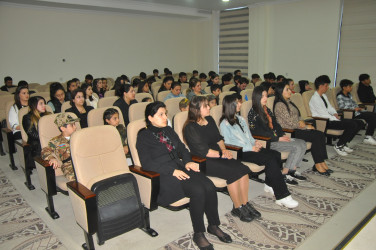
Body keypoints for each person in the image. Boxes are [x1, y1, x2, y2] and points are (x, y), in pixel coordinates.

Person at [137, 101, 232, 250]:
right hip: (162, 175)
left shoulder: (168, 129)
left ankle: (213, 225)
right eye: (160, 114)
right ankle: (199, 233)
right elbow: (147, 164)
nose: (165, 117)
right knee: (198, 190)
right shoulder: (144, 136)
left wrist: (188, 162)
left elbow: (183, 148)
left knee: (209, 186)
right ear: (150, 118)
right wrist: (172, 171)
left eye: (165, 113)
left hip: (179, 167)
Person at [183, 96, 260, 222]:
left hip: (218, 155)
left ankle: (245, 204)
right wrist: (221, 154)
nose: (209, 107)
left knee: (243, 169)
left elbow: (219, 139)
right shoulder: (190, 128)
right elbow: (204, 151)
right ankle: (237, 207)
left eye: (208, 105)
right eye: (206, 106)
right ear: (196, 110)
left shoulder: (209, 119)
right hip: (204, 161)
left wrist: (224, 150)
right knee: (234, 173)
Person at [220, 95, 298, 208]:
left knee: (276, 154)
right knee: (269, 159)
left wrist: (255, 142)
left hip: (251, 148)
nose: (240, 105)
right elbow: (228, 143)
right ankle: (282, 196)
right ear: (230, 106)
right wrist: (250, 148)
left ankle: (269, 183)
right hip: (241, 152)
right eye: (237, 103)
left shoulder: (240, 119)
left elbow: (249, 136)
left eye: (240, 102)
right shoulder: (224, 124)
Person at [248, 86, 307, 185]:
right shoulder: (253, 112)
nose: (266, 98)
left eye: (266, 96)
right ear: (257, 97)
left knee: (302, 143)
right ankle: (284, 174)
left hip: (277, 137)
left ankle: (292, 170)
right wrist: (277, 138)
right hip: (268, 141)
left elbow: (276, 124)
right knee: (296, 146)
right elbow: (258, 132)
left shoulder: (267, 109)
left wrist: (282, 134)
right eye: (262, 96)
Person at [273, 81, 332, 176]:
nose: (290, 91)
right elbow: (289, 123)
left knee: (320, 134)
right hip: (290, 131)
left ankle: (321, 162)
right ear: (280, 92)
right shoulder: (280, 105)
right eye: (287, 89)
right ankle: (318, 163)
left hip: (297, 128)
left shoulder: (289, 102)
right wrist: (305, 126)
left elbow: (298, 115)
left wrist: (302, 121)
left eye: (289, 89)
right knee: (317, 136)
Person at [310, 75, 361, 156]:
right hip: (325, 121)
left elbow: (330, 107)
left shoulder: (323, 95)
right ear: (321, 86)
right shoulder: (315, 98)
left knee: (358, 123)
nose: (327, 87)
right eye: (326, 85)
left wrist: (335, 113)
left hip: (331, 118)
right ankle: (338, 145)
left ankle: (343, 143)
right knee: (352, 124)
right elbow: (323, 114)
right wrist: (335, 118)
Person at [337, 79, 376, 145]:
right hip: (351, 113)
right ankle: (368, 137)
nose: (351, 88)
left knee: (373, 114)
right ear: (344, 87)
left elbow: (354, 103)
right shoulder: (340, 96)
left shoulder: (349, 95)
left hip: (356, 112)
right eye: (349, 86)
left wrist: (359, 108)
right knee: (372, 116)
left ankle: (369, 135)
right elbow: (342, 107)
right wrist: (354, 109)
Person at [41, 113, 79, 181]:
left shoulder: (79, 136)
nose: (75, 127)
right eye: (72, 125)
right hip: (69, 166)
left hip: (82, 161)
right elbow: (44, 151)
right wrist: (51, 158)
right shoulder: (56, 141)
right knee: (76, 179)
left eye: (74, 124)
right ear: (63, 128)